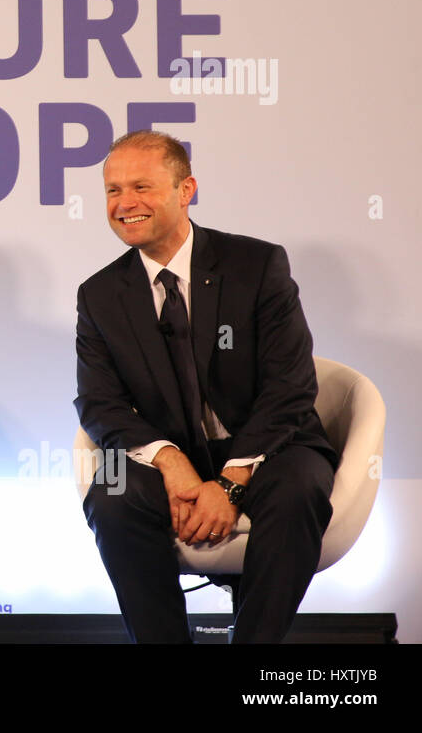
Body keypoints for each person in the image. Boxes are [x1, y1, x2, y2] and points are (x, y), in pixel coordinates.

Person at [75, 131, 337, 643]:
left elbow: (290, 386)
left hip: (272, 448)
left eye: (141, 187)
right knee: (110, 495)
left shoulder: (257, 266)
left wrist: (232, 479)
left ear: (185, 189)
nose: (124, 204)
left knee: (299, 488)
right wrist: (172, 464)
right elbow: (99, 403)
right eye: (112, 190)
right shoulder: (100, 294)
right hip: (176, 454)